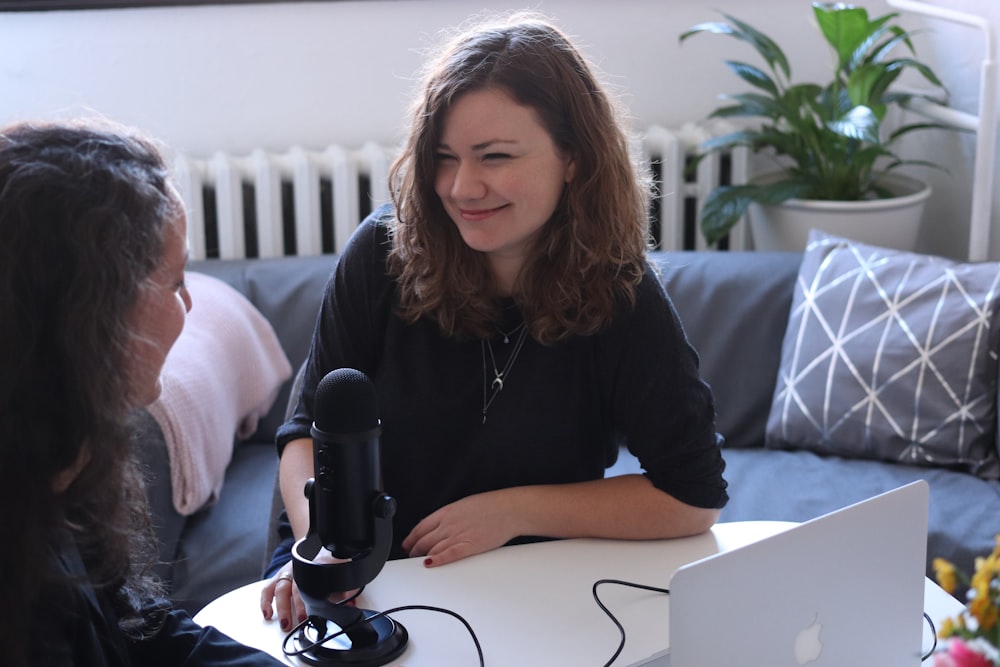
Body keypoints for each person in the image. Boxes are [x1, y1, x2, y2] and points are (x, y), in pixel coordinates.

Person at [260, 11, 729, 631]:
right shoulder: (380, 254)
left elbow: (691, 497)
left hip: (520, 588)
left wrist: (512, 512)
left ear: (574, 159)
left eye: (495, 156)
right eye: (444, 157)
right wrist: (321, 549)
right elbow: (302, 436)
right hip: (355, 575)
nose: (461, 187)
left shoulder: (622, 293)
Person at [0, 119, 284, 667]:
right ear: (95, 314)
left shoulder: (66, 464)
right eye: (176, 282)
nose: (191, 305)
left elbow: (137, 624)